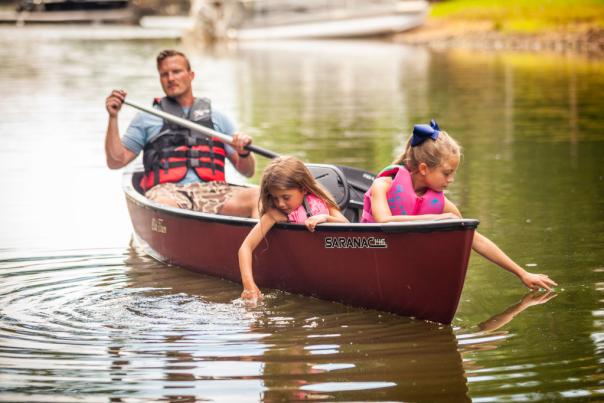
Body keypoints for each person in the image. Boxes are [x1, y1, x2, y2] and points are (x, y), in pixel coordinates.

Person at [362, 120, 557, 291]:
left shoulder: (442, 204)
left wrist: (522, 273)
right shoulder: (384, 185)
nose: (452, 180)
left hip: (402, 264)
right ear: (423, 168)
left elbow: (476, 240)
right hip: (371, 254)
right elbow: (384, 221)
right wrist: (436, 218)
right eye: (446, 173)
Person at [104, 49, 259, 218]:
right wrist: (113, 117)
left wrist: (245, 154)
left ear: (191, 75)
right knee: (166, 206)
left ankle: (256, 244)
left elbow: (247, 171)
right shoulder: (146, 118)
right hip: (167, 193)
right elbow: (115, 161)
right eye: (164, 74)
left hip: (214, 191)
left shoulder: (218, 118)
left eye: (176, 71)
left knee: (260, 196)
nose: (171, 78)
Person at [238, 156, 349, 300]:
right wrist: (249, 286)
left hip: (328, 267)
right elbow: (245, 248)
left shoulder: (320, 201)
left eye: (286, 197)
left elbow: (346, 224)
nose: (281, 204)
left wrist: (325, 218)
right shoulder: (275, 214)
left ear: (303, 189)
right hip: (304, 270)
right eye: (275, 198)